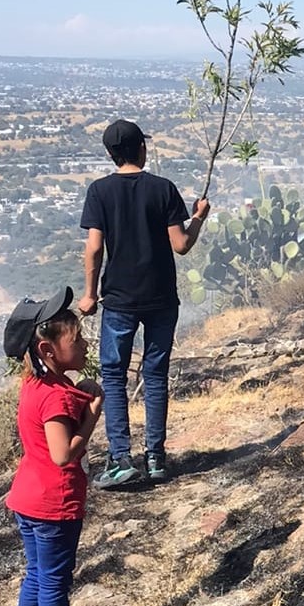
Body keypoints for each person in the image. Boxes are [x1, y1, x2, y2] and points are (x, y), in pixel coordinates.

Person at [78, 119, 209, 488]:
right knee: (154, 376)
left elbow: (94, 247)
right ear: (142, 149)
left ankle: (121, 459)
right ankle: (156, 458)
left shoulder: (99, 192)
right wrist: (198, 218)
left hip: (119, 298)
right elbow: (181, 245)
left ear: (110, 154)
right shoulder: (163, 189)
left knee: (115, 377)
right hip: (161, 298)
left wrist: (89, 294)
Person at [3, 286, 103, 606]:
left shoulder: (35, 386)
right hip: (53, 504)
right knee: (55, 579)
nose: (84, 345)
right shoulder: (57, 400)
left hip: (27, 498)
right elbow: (63, 454)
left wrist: (79, 396)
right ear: (48, 351)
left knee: (36, 573)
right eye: (76, 341)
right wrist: (92, 414)